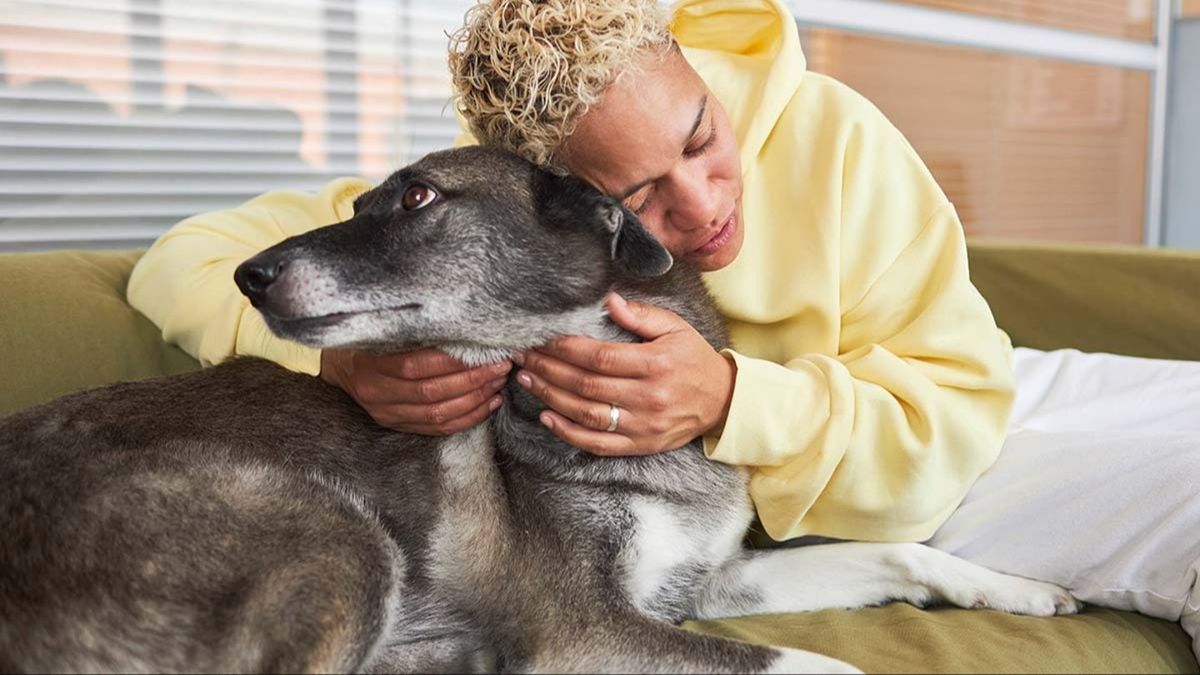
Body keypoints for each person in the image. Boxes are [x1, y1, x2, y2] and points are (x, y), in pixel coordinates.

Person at [127, 0, 1200, 657]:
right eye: (635, 195)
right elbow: (187, 254)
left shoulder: (836, 137)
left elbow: (953, 425)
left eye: (701, 137)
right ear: (557, 209)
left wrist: (735, 398)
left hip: (935, 403)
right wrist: (337, 357)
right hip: (849, 459)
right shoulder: (499, 203)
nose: (702, 205)